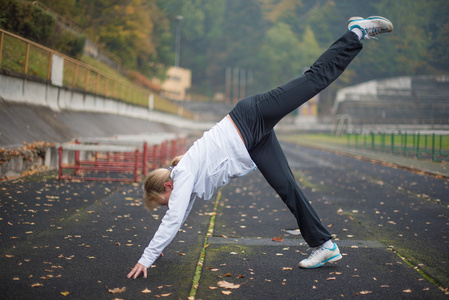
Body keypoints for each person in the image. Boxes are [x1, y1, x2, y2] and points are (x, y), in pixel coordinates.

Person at [128, 16, 394, 279]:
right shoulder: (185, 181)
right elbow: (178, 216)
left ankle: (356, 33)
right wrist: (159, 247)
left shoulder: (183, 173)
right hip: (253, 141)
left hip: (249, 118)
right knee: (287, 187)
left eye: (163, 203)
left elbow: (173, 218)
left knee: (314, 80)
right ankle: (325, 245)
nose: (168, 207)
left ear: (167, 187)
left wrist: (146, 258)